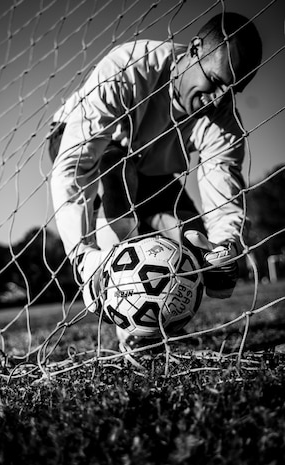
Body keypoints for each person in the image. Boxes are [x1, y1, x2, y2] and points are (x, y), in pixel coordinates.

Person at [49, 12, 262, 349]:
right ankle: (121, 311)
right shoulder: (129, 69)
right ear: (193, 50)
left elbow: (224, 195)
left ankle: (154, 326)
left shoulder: (223, 122)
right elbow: (75, 166)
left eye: (233, 90)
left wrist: (225, 247)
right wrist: (83, 255)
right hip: (84, 144)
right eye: (216, 81)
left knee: (193, 239)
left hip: (149, 168)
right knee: (117, 168)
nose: (221, 97)